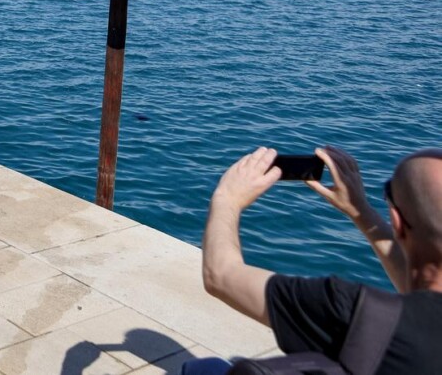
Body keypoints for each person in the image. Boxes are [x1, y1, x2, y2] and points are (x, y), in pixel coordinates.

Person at [189, 146, 442, 374]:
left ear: (396, 222)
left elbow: (220, 276)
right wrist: (360, 211)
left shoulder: (357, 312)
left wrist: (227, 199)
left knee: (205, 369)